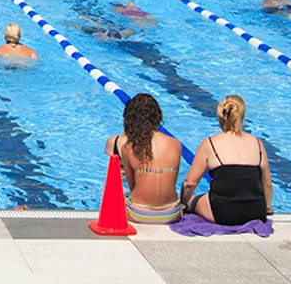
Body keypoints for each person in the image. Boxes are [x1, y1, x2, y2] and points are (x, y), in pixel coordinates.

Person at [180, 94, 272, 226]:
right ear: (242, 116)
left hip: (222, 213)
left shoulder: (210, 143)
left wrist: (183, 204)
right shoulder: (257, 143)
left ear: (220, 116)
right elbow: (267, 183)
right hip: (256, 212)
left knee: (192, 201)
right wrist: (267, 208)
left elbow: (190, 183)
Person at [108, 92, 184, 225]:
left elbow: (132, 188)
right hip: (172, 213)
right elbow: (172, 181)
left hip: (139, 214)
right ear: (157, 117)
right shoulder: (175, 143)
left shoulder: (128, 147)